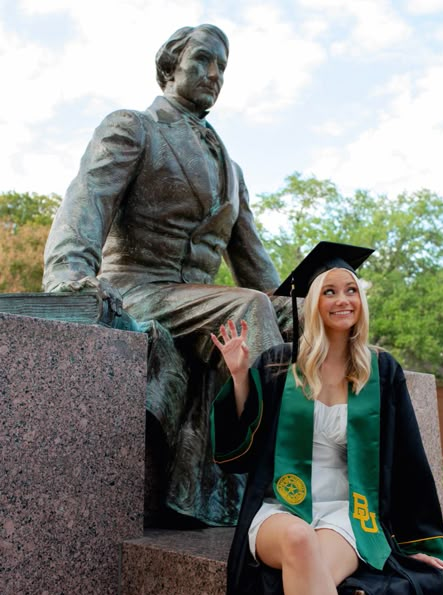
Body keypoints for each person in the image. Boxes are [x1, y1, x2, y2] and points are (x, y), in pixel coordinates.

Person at [42, 24, 292, 526]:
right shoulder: (132, 127)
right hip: (138, 289)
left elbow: (257, 269)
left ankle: (358, 481)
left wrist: (310, 300)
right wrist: (68, 275)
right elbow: (86, 204)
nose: (214, 74)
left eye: (222, 66)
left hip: (201, 303)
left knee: (314, 312)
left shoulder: (233, 170)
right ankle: (274, 479)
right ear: (169, 67)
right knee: (249, 308)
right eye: (202, 60)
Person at [210, 241, 443, 595]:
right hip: (281, 509)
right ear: (314, 303)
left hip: (349, 513)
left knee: (307, 577)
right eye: (330, 291)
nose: (343, 300)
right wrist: (239, 376)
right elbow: (238, 453)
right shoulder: (279, 363)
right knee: (300, 542)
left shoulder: (381, 371)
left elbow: (408, 458)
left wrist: (419, 543)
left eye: (351, 290)